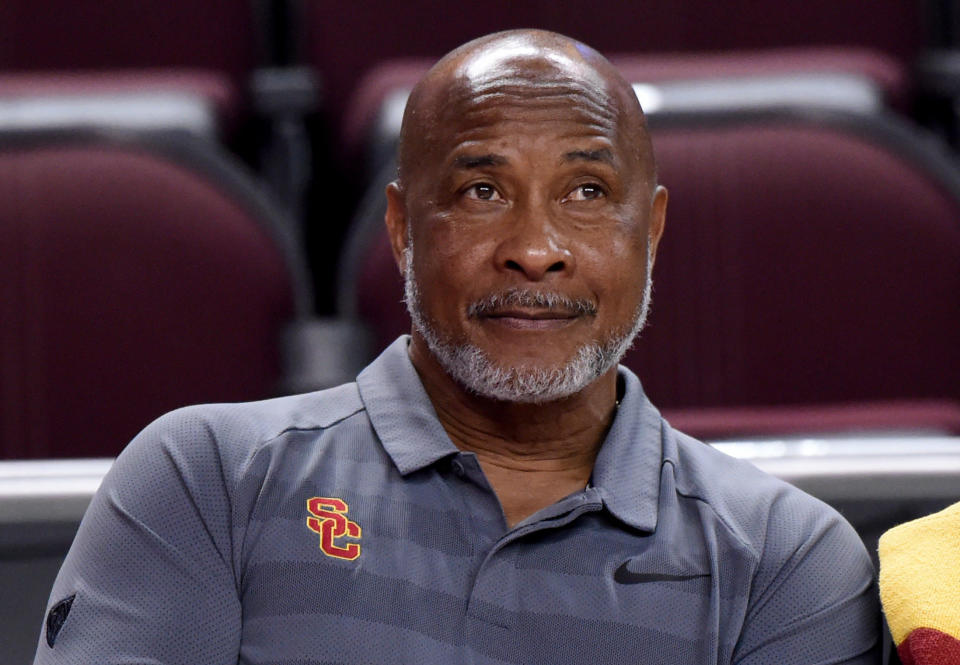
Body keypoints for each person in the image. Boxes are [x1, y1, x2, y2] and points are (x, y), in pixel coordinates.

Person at [34, 30, 879, 664]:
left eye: (588, 191)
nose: (536, 246)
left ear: (650, 231)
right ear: (403, 228)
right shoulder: (205, 480)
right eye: (482, 191)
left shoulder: (786, 559)